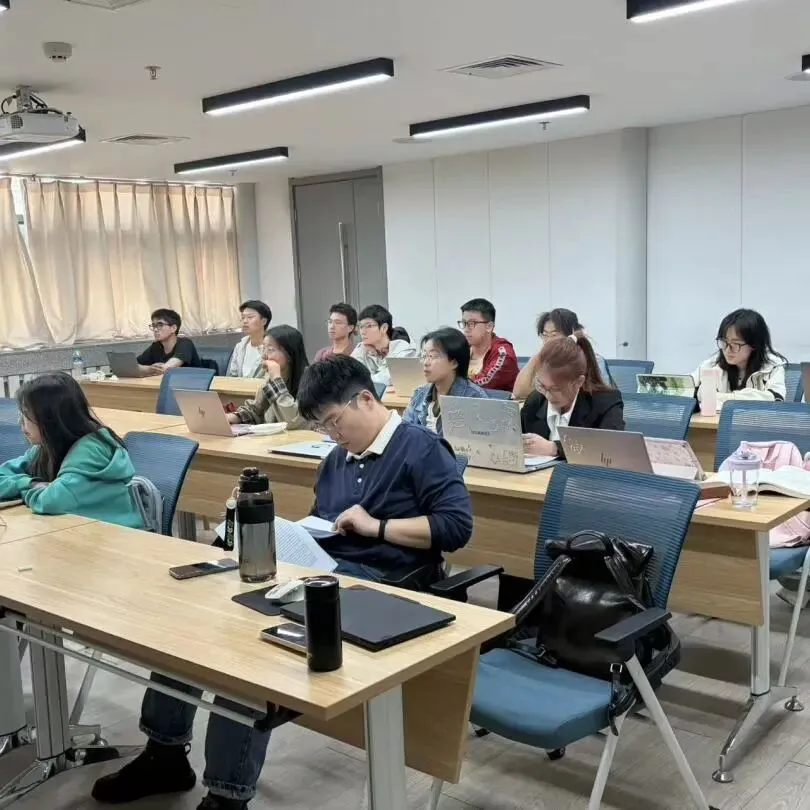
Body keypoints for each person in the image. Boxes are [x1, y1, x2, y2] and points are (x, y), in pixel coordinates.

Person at [92, 355, 472, 810]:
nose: (332, 435)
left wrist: (377, 527)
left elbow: (456, 527)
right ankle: (165, 752)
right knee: (202, 618)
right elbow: (322, 524)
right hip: (324, 573)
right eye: (323, 427)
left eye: (334, 421)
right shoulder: (336, 458)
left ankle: (227, 794)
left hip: (384, 582)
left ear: (365, 400)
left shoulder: (421, 449)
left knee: (249, 646)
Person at [0, 373, 143, 527]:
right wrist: (31, 484)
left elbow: (52, 501)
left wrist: (20, 488)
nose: (20, 422)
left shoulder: (93, 449)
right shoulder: (46, 449)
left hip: (117, 535)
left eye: (26, 415)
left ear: (50, 418)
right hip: (77, 530)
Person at [521, 336, 624, 460]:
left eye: (556, 389)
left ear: (578, 382)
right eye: (542, 386)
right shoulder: (535, 401)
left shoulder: (606, 402)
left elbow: (611, 449)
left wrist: (555, 448)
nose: (548, 395)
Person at [402, 327, 488, 435]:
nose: (426, 362)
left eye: (433, 356)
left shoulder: (474, 399)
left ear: (454, 362)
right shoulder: (420, 393)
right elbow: (404, 431)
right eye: (424, 356)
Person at [692, 308, 787, 405]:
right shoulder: (712, 364)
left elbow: (775, 399)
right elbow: (686, 390)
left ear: (754, 344)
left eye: (735, 344)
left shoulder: (772, 367)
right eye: (724, 342)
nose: (727, 350)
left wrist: (721, 398)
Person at [513, 308, 610, 399]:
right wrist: (537, 357)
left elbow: (603, 396)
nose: (548, 341)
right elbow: (519, 393)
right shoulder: (544, 361)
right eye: (545, 335)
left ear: (571, 335)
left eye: (554, 335)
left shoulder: (593, 359)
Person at [227, 325, 308, 428]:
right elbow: (255, 411)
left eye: (270, 349)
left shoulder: (310, 379)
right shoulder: (271, 379)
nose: (264, 356)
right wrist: (230, 417)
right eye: (263, 349)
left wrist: (276, 380)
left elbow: (293, 420)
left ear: (289, 354)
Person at [458, 298, 518, 393]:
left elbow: (483, 385)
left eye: (471, 323)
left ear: (489, 326)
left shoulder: (503, 352)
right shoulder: (461, 349)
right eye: (464, 323)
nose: (466, 329)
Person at [350, 304, 416, 386]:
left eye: (369, 326)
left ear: (384, 328)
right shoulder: (362, 349)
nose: (363, 331)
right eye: (360, 326)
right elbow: (349, 375)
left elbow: (391, 377)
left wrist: (363, 379)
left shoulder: (402, 348)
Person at [136, 309, 201, 376]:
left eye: (160, 325)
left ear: (173, 328)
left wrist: (148, 369)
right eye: (154, 326)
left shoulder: (185, 343)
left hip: (192, 381)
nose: (155, 329)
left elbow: (166, 369)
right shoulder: (156, 346)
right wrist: (148, 369)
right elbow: (133, 366)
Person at [225, 300, 273, 378]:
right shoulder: (240, 346)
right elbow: (231, 376)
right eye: (243, 317)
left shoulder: (272, 349)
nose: (244, 321)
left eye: (250, 317)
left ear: (264, 321)